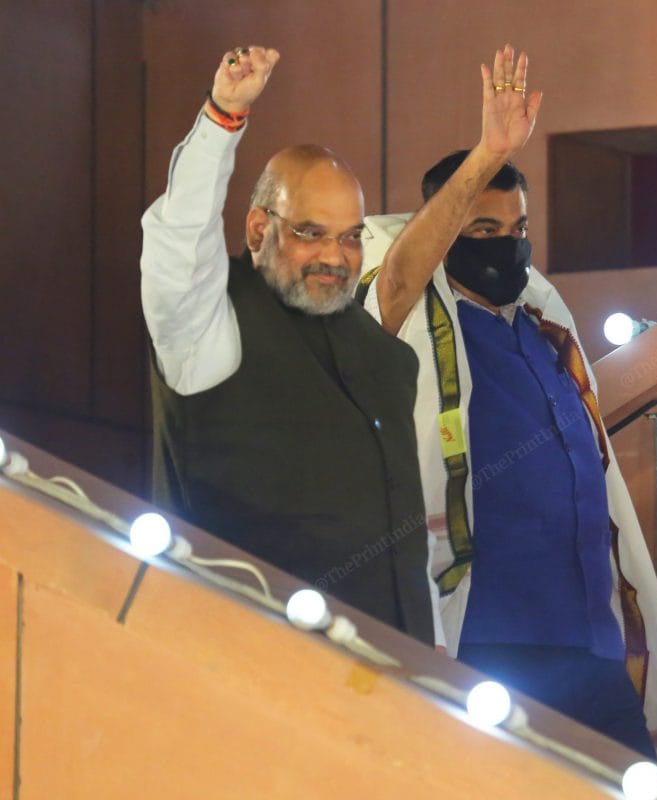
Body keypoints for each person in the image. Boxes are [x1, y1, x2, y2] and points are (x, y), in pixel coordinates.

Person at [356, 45, 657, 783]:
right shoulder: (417, 330)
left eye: (518, 227)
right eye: (482, 230)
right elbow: (398, 275)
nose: (507, 244)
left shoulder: (548, 335)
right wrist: (491, 151)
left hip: (593, 647)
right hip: (495, 647)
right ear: (445, 229)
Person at [141, 46, 436, 646]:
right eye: (310, 233)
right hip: (252, 671)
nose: (336, 256)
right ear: (258, 229)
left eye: (351, 237)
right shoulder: (207, 327)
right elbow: (179, 240)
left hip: (397, 678)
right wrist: (222, 120)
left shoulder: (379, 352)